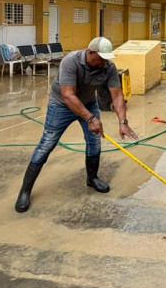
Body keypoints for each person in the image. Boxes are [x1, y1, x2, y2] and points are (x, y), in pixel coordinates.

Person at [15, 37, 138, 213]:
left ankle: (92, 178)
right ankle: (25, 191)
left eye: (106, 59)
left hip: (88, 103)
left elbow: (117, 95)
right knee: (47, 144)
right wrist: (90, 119)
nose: (104, 62)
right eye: (101, 58)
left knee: (94, 142)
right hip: (61, 105)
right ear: (91, 52)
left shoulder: (108, 67)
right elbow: (68, 95)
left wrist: (123, 122)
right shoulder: (71, 61)